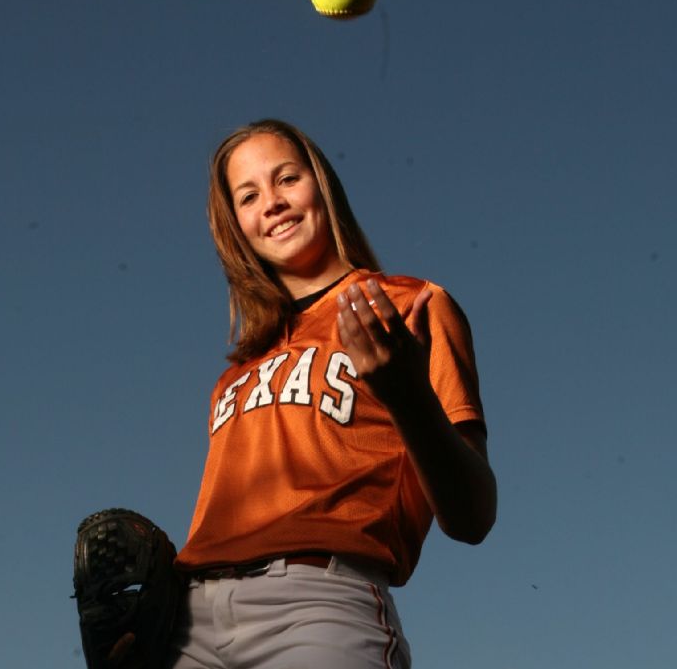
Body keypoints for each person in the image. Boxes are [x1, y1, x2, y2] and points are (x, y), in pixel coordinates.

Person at [170, 119, 497, 669]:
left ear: (322, 185)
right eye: (248, 195)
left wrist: (406, 395)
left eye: (287, 179)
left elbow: (473, 517)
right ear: (236, 227)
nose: (271, 202)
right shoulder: (237, 373)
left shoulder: (410, 305)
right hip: (189, 624)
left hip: (317, 606)